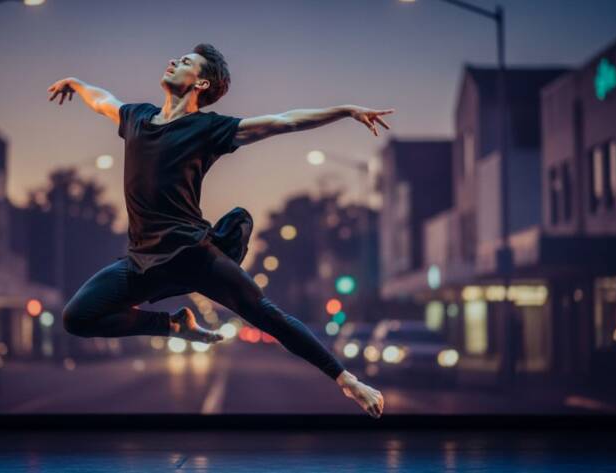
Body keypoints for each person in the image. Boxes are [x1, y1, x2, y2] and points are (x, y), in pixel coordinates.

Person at [47, 43, 392, 418]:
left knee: (265, 314)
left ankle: (349, 382)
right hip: (142, 259)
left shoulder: (209, 128)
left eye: (186, 62)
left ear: (201, 82)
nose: (173, 61)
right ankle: (174, 324)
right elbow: (103, 100)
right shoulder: (136, 118)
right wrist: (77, 83)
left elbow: (285, 120)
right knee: (77, 317)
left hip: (194, 255)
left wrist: (346, 111)